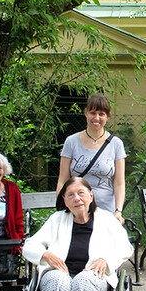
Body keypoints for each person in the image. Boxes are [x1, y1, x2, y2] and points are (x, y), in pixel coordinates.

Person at [57, 94, 126, 224]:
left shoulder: (116, 144)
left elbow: (119, 183)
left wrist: (118, 210)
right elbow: (63, 179)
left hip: (106, 210)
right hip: (77, 210)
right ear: (86, 113)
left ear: (108, 116)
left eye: (101, 114)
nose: (97, 118)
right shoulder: (71, 142)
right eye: (93, 113)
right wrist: (63, 206)